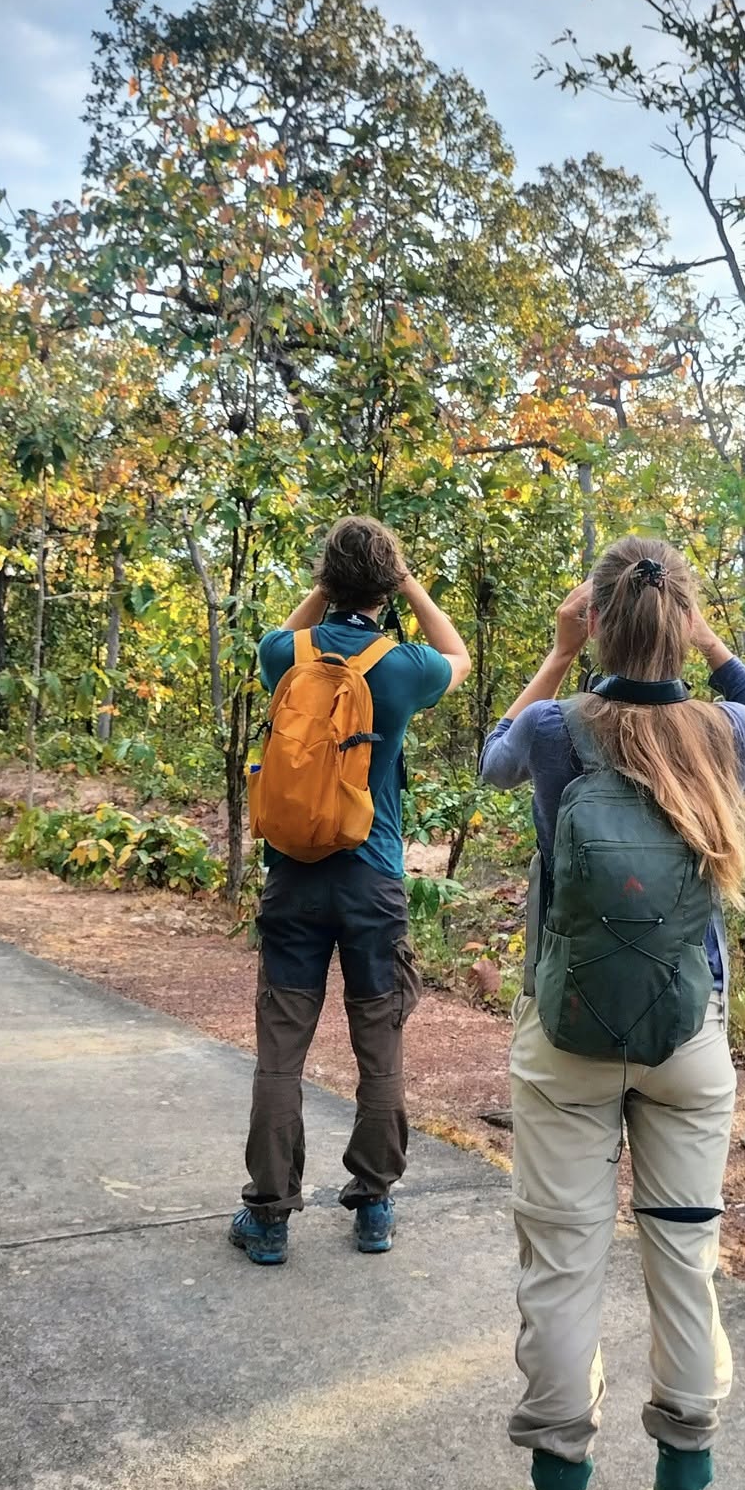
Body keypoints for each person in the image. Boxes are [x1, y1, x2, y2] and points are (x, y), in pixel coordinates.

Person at [480, 535, 745, 1490]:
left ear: (598, 618)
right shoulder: (726, 733)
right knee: (685, 1266)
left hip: (564, 1037)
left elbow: (491, 753)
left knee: (564, 1265)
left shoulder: (558, 734)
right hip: (687, 1040)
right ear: (679, 622)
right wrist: (713, 646)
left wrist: (561, 652)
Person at [228, 516, 470, 1264]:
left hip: (292, 882)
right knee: (379, 1048)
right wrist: (409, 585)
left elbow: (278, 635)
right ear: (388, 584)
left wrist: (324, 591)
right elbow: (459, 653)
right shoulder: (404, 667)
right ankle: (373, 1206)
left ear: (326, 581)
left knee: (281, 1055)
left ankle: (269, 1217)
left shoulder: (284, 655)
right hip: (372, 884)